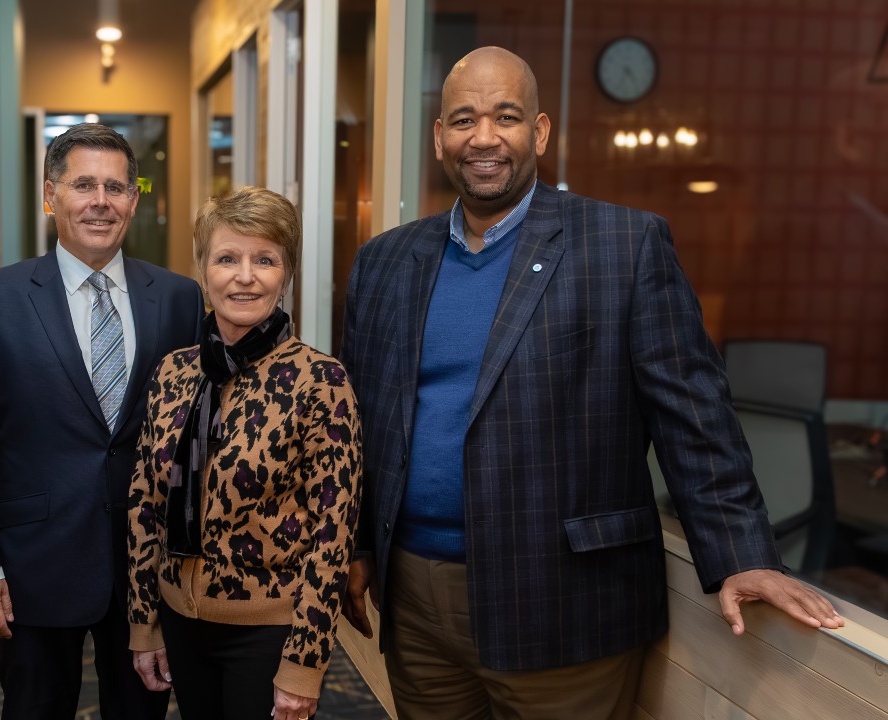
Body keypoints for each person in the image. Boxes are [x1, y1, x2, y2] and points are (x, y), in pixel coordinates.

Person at [338, 46, 844, 719]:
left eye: (505, 117)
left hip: (562, 602)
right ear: (438, 138)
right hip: (415, 601)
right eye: (462, 120)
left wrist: (743, 554)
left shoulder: (623, 246)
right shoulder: (383, 261)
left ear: (539, 132)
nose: (483, 137)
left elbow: (691, 414)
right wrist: (359, 546)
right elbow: (360, 422)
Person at [0, 122, 203, 719]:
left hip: (149, 570)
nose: (100, 201)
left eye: (116, 188)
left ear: (134, 201)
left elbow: (194, 440)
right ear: (50, 195)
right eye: (83, 184)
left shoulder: (179, 298)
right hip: (34, 562)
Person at [127, 186, 362, 720]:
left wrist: (304, 663)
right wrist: (144, 623)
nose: (245, 276)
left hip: (269, 633)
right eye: (227, 258)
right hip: (180, 620)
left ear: (287, 273)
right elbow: (144, 505)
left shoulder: (320, 381)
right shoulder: (174, 372)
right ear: (204, 269)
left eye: (265, 260)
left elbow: (333, 536)